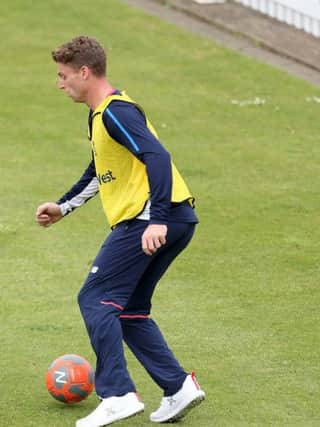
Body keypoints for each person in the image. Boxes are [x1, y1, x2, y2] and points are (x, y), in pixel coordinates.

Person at [36, 36, 205, 427]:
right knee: (128, 310)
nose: (60, 83)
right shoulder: (100, 116)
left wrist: (157, 217)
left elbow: (157, 157)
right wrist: (64, 206)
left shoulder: (116, 112)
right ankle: (178, 387)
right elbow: (99, 169)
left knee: (95, 298)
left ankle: (117, 394)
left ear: (84, 71)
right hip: (175, 219)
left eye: (63, 76)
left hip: (153, 219)